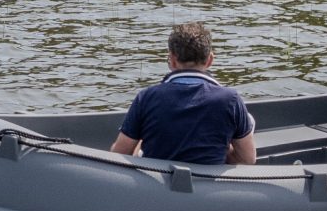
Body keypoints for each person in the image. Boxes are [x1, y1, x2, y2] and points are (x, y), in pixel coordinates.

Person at [110, 21, 256, 165]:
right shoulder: (231, 100)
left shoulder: (147, 97)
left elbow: (120, 154)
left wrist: (140, 144)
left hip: (157, 183)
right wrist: (223, 146)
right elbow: (248, 159)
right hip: (210, 185)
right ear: (210, 60)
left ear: (172, 60)